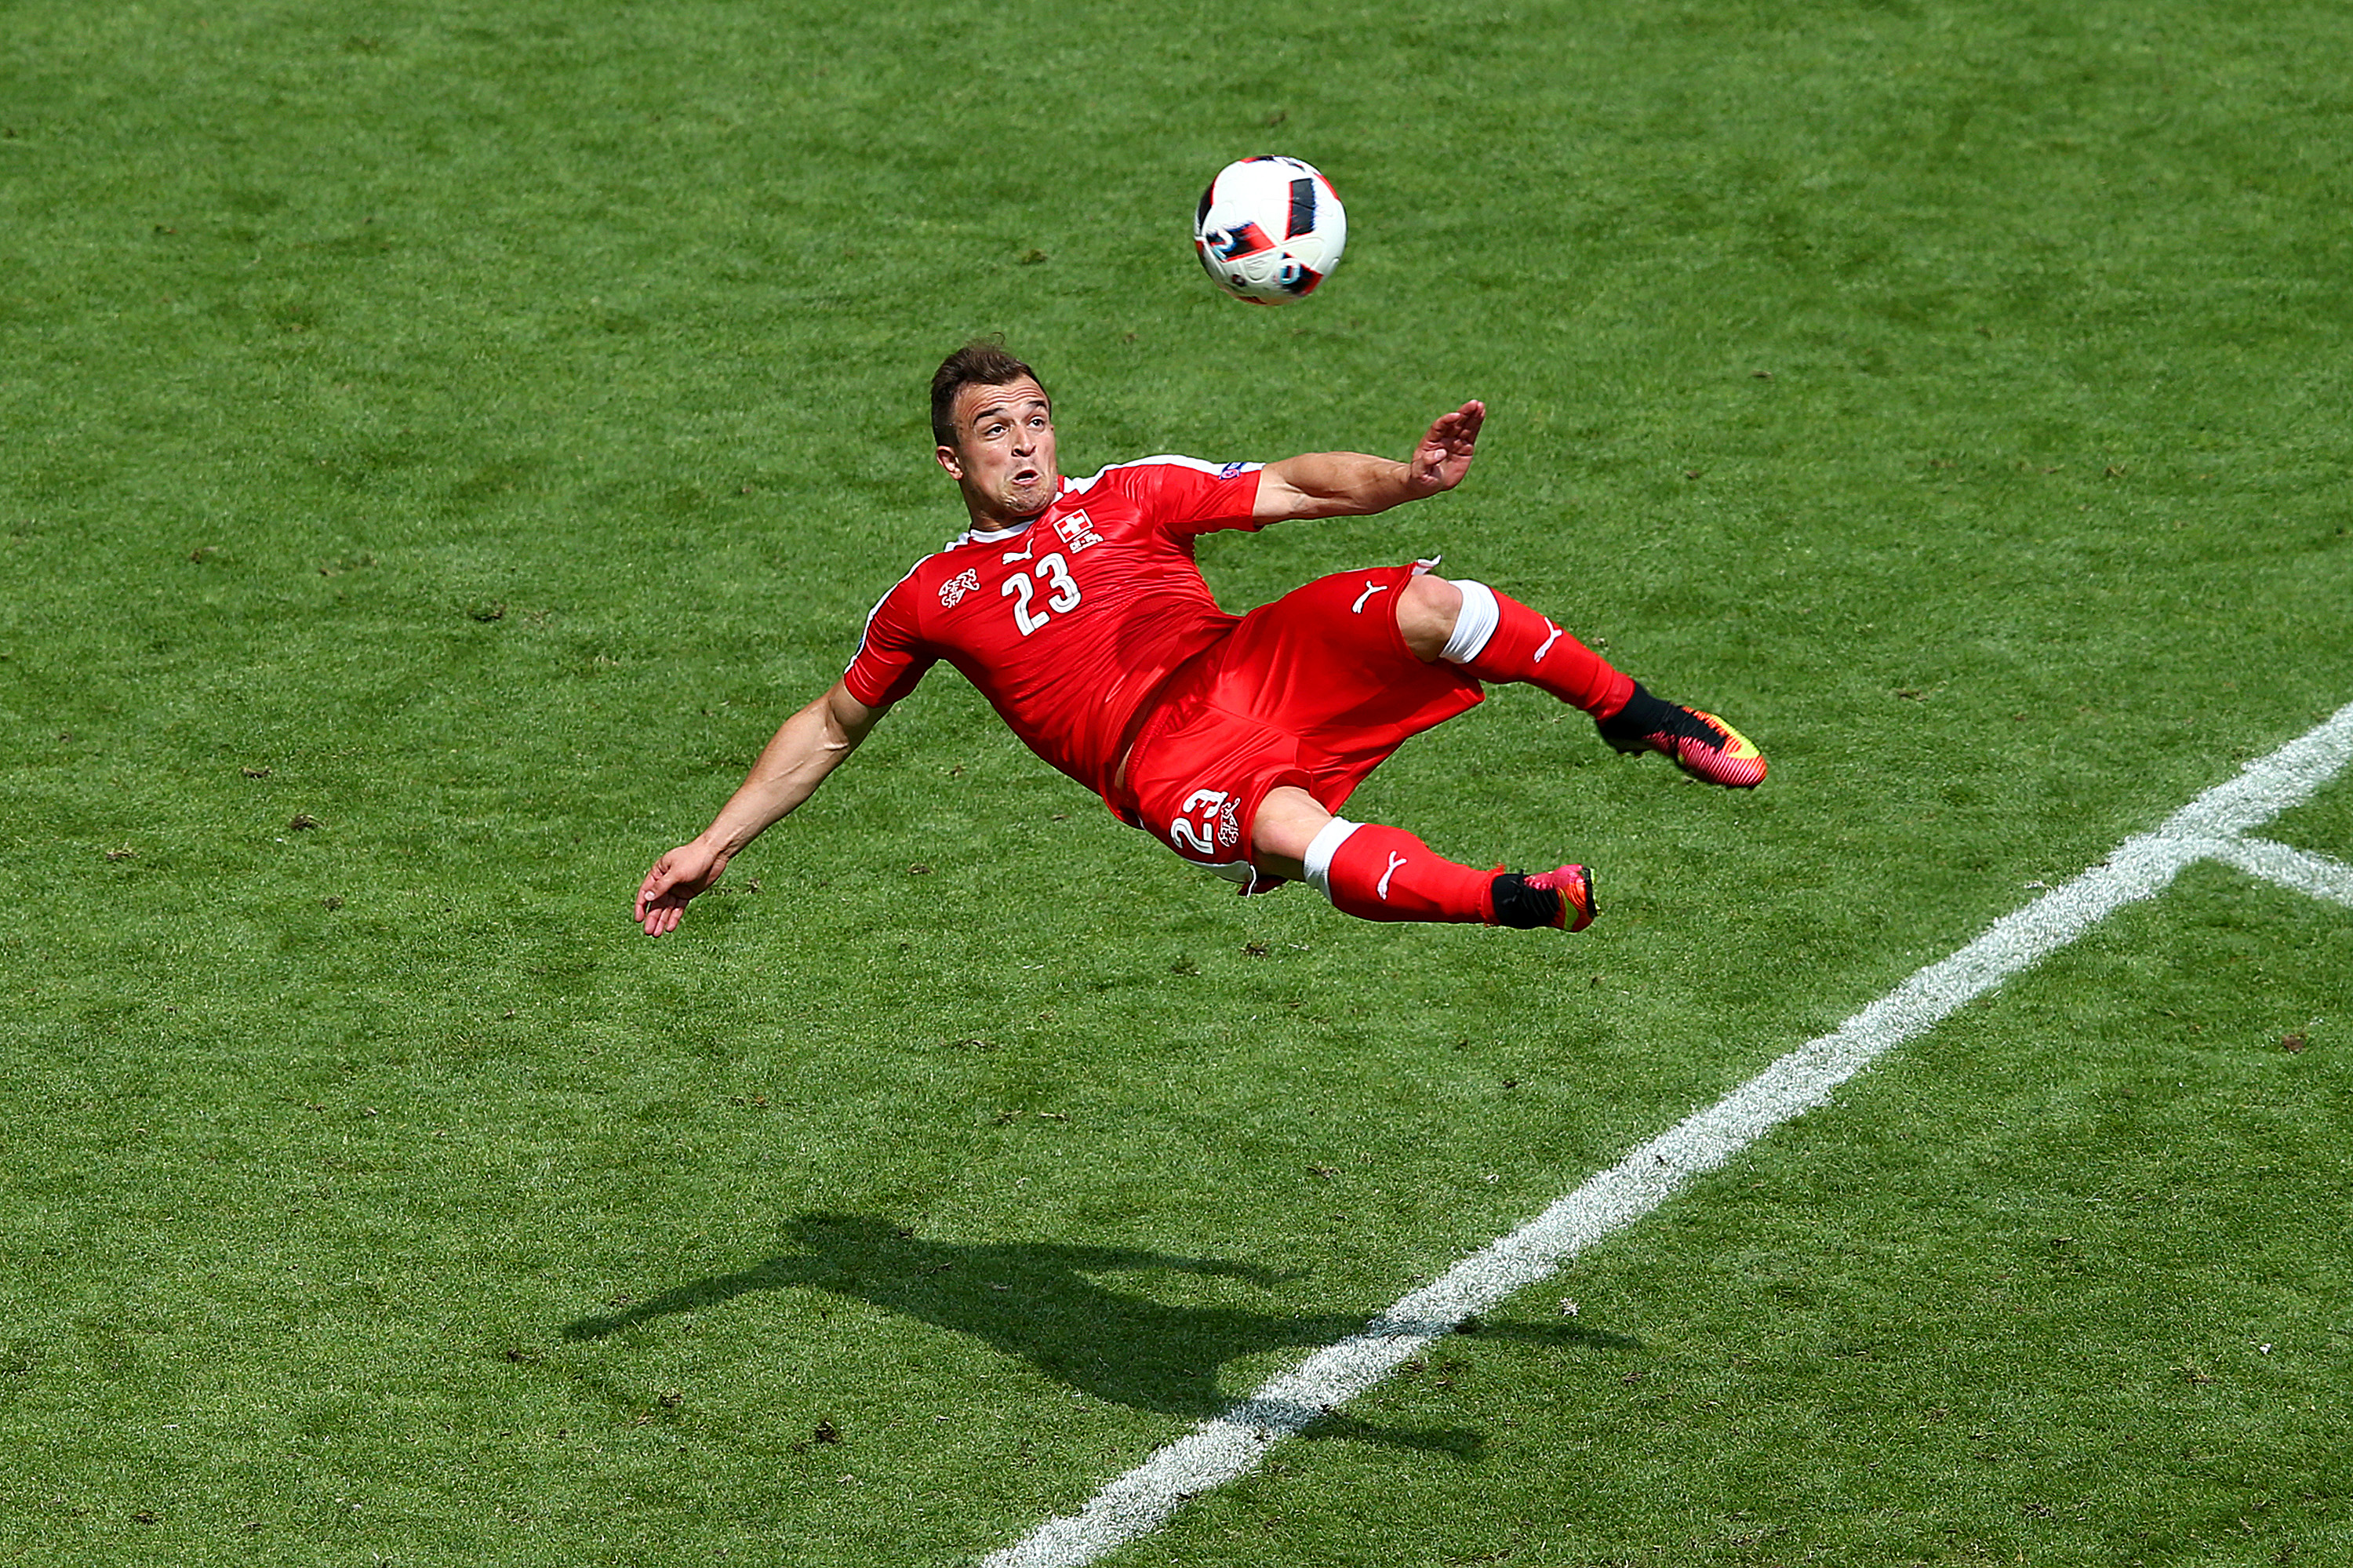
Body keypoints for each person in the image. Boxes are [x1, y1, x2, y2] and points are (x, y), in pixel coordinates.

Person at [635, 340, 1765, 939]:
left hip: (1246, 662)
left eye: (1035, 418)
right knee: (1301, 836)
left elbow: (1287, 486)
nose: (1024, 445)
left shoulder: (1131, 491)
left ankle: (1637, 716)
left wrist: (1405, 482)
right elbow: (832, 727)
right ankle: (1515, 898)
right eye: (994, 430)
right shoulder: (929, 598)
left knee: (1440, 605)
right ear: (952, 463)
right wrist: (715, 842)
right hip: (1159, 758)